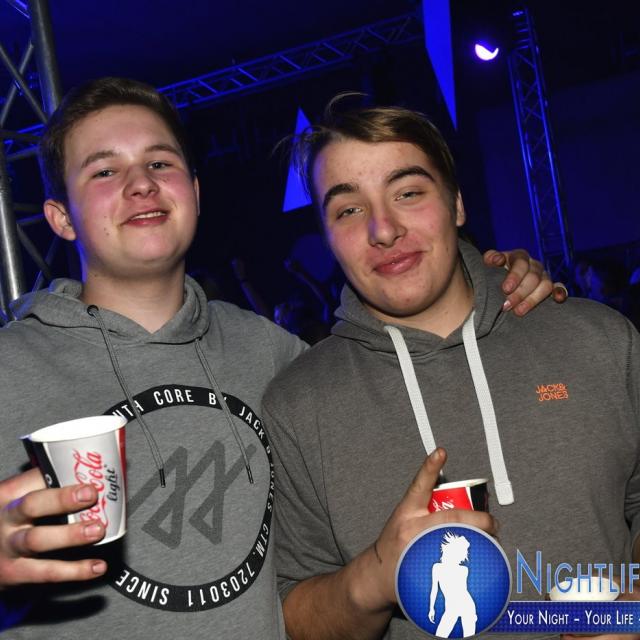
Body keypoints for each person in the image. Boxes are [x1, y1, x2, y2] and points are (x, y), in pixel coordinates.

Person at [0, 78, 550, 637]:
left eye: (160, 163)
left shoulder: (276, 355)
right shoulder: (8, 369)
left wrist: (494, 283)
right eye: (104, 171)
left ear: (194, 191)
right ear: (61, 217)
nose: (141, 183)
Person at [262, 100, 640, 640]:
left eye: (408, 193)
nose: (383, 229)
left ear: (457, 203)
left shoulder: (596, 339)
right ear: (327, 236)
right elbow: (292, 614)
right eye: (348, 210)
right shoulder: (297, 405)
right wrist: (374, 575)